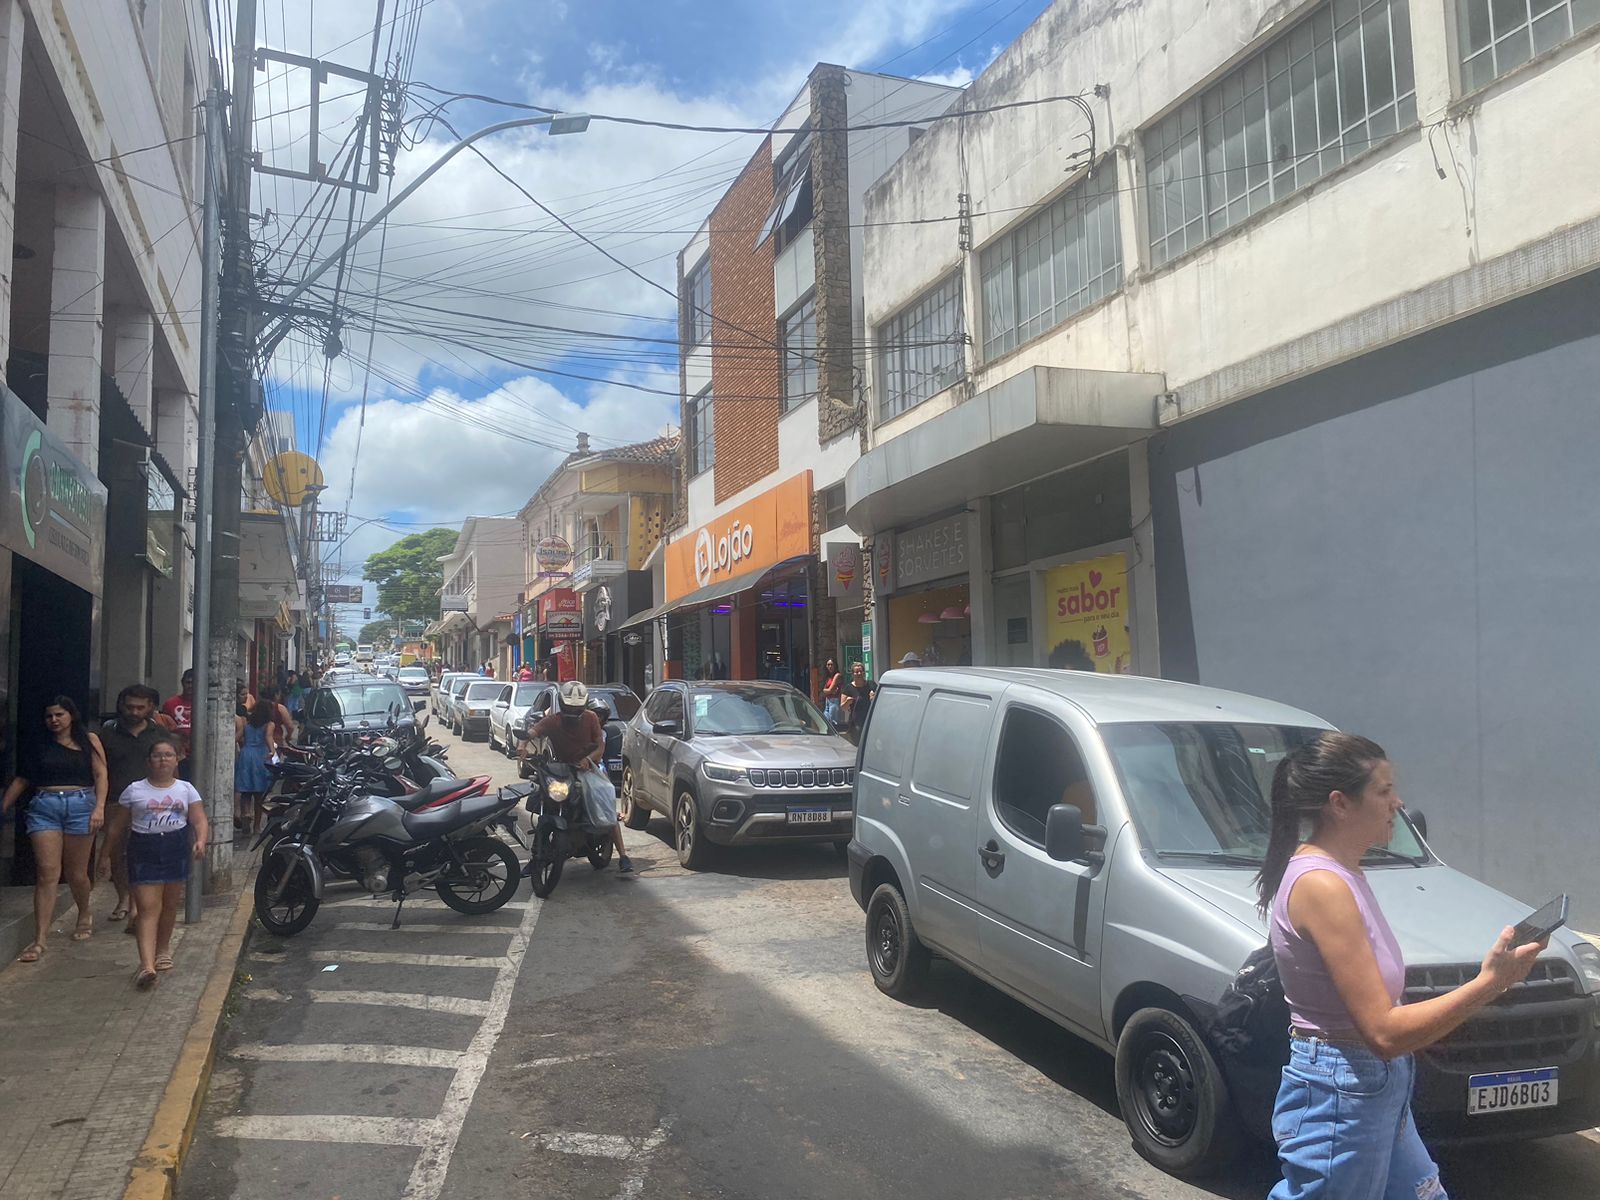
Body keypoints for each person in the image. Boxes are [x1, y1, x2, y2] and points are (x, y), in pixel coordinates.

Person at [1258, 733, 1545, 1200]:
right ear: (1340, 804)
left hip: (1374, 1086)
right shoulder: (1322, 886)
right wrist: (1491, 984)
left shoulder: (1347, 873)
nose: (1398, 801)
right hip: (1343, 1092)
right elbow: (1385, 1033)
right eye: (1384, 790)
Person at [1, 697, 109, 961]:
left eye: (59, 714)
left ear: (71, 715)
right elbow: (23, 778)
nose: (54, 720)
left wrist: (100, 807)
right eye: (49, 716)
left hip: (81, 804)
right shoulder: (39, 744)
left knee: (76, 873)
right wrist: (4, 805)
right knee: (47, 872)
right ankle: (40, 939)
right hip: (45, 805)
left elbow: (101, 774)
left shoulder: (89, 740)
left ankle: (84, 912)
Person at [122, 736, 208, 988]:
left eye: (168, 755)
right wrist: (106, 855)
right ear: (149, 761)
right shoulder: (134, 790)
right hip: (143, 850)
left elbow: (199, 819)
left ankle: (163, 950)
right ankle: (147, 965)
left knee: (169, 905)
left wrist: (201, 840)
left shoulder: (186, 789)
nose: (163, 760)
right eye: (157, 755)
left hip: (174, 848)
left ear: (176, 759)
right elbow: (117, 827)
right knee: (148, 909)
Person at [521, 680, 632, 873]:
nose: (572, 715)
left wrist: (589, 760)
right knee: (542, 802)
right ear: (562, 705)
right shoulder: (552, 721)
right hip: (561, 770)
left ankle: (623, 855)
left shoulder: (591, 719)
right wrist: (522, 745)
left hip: (588, 770)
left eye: (576, 710)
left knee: (605, 798)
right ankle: (536, 856)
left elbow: (600, 745)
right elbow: (532, 732)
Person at [98, 685, 168, 931]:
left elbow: (169, 766)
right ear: (121, 706)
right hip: (115, 801)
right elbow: (99, 770)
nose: (135, 712)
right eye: (130, 707)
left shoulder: (159, 733)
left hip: (151, 803)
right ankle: (123, 897)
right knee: (117, 855)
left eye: (141, 707)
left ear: (150, 707)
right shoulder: (107, 734)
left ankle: (138, 907)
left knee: (142, 855)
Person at [233, 699, 277, 836]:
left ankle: (245, 813)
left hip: (246, 755)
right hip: (261, 756)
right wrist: (272, 752)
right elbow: (269, 738)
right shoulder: (269, 724)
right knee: (260, 795)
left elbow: (237, 737)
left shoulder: (247, 723)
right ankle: (257, 826)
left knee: (246, 791)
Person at [162, 670, 196, 779]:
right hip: (178, 755)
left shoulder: (207, 704)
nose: (191, 686)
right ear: (182, 683)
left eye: (195, 682)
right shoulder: (170, 703)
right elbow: (165, 728)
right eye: (188, 682)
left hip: (201, 754)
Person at [840, 662, 876, 745]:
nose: (859, 673)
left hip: (870, 722)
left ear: (864, 672)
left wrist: (874, 697)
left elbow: (879, 700)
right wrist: (847, 702)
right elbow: (843, 707)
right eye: (856, 672)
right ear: (852, 674)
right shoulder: (848, 688)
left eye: (861, 671)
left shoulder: (871, 685)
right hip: (856, 724)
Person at [821, 659, 844, 729]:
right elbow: (824, 690)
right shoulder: (828, 677)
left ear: (835, 666)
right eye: (828, 665)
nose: (830, 666)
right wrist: (826, 691)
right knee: (826, 721)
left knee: (833, 723)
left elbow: (830, 690)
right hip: (827, 701)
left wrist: (827, 691)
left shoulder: (837, 676)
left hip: (834, 701)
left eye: (832, 664)